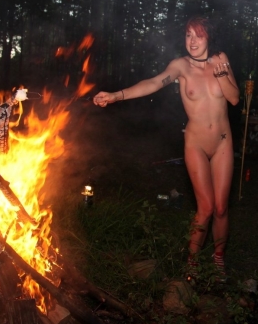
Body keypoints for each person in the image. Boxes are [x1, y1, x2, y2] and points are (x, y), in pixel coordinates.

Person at [93, 17, 240, 281]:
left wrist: (221, 74)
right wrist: (117, 95)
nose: (192, 41)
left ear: (209, 37)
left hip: (222, 141)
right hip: (196, 143)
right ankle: (192, 263)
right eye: (188, 35)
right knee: (206, 208)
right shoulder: (181, 66)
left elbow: (234, 98)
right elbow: (154, 82)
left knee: (221, 208)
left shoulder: (221, 59)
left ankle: (218, 259)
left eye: (198, 35)